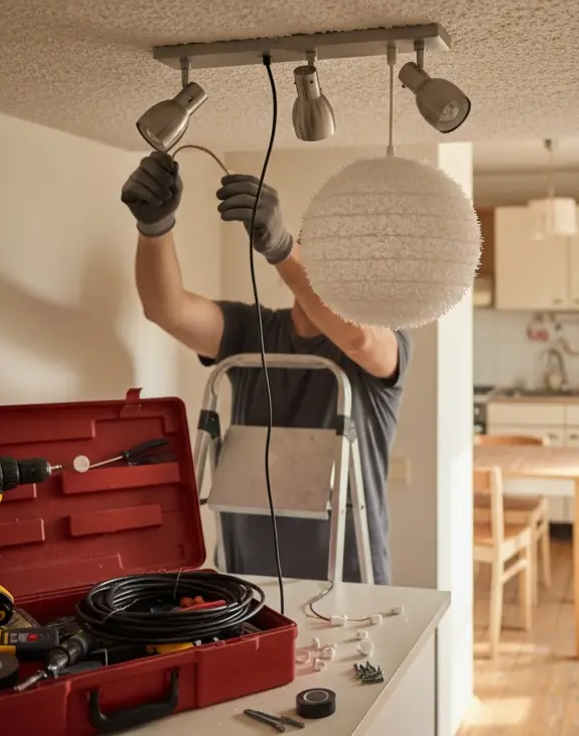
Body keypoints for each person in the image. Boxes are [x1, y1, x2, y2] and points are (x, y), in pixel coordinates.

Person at [119, 151, 410, 586]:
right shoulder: (250, 330)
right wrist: (154, 228)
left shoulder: (385, 338)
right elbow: (168, 310)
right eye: (318, 250)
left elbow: (359, 339)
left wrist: (281, 248)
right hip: (245, 578)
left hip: (349, 583)